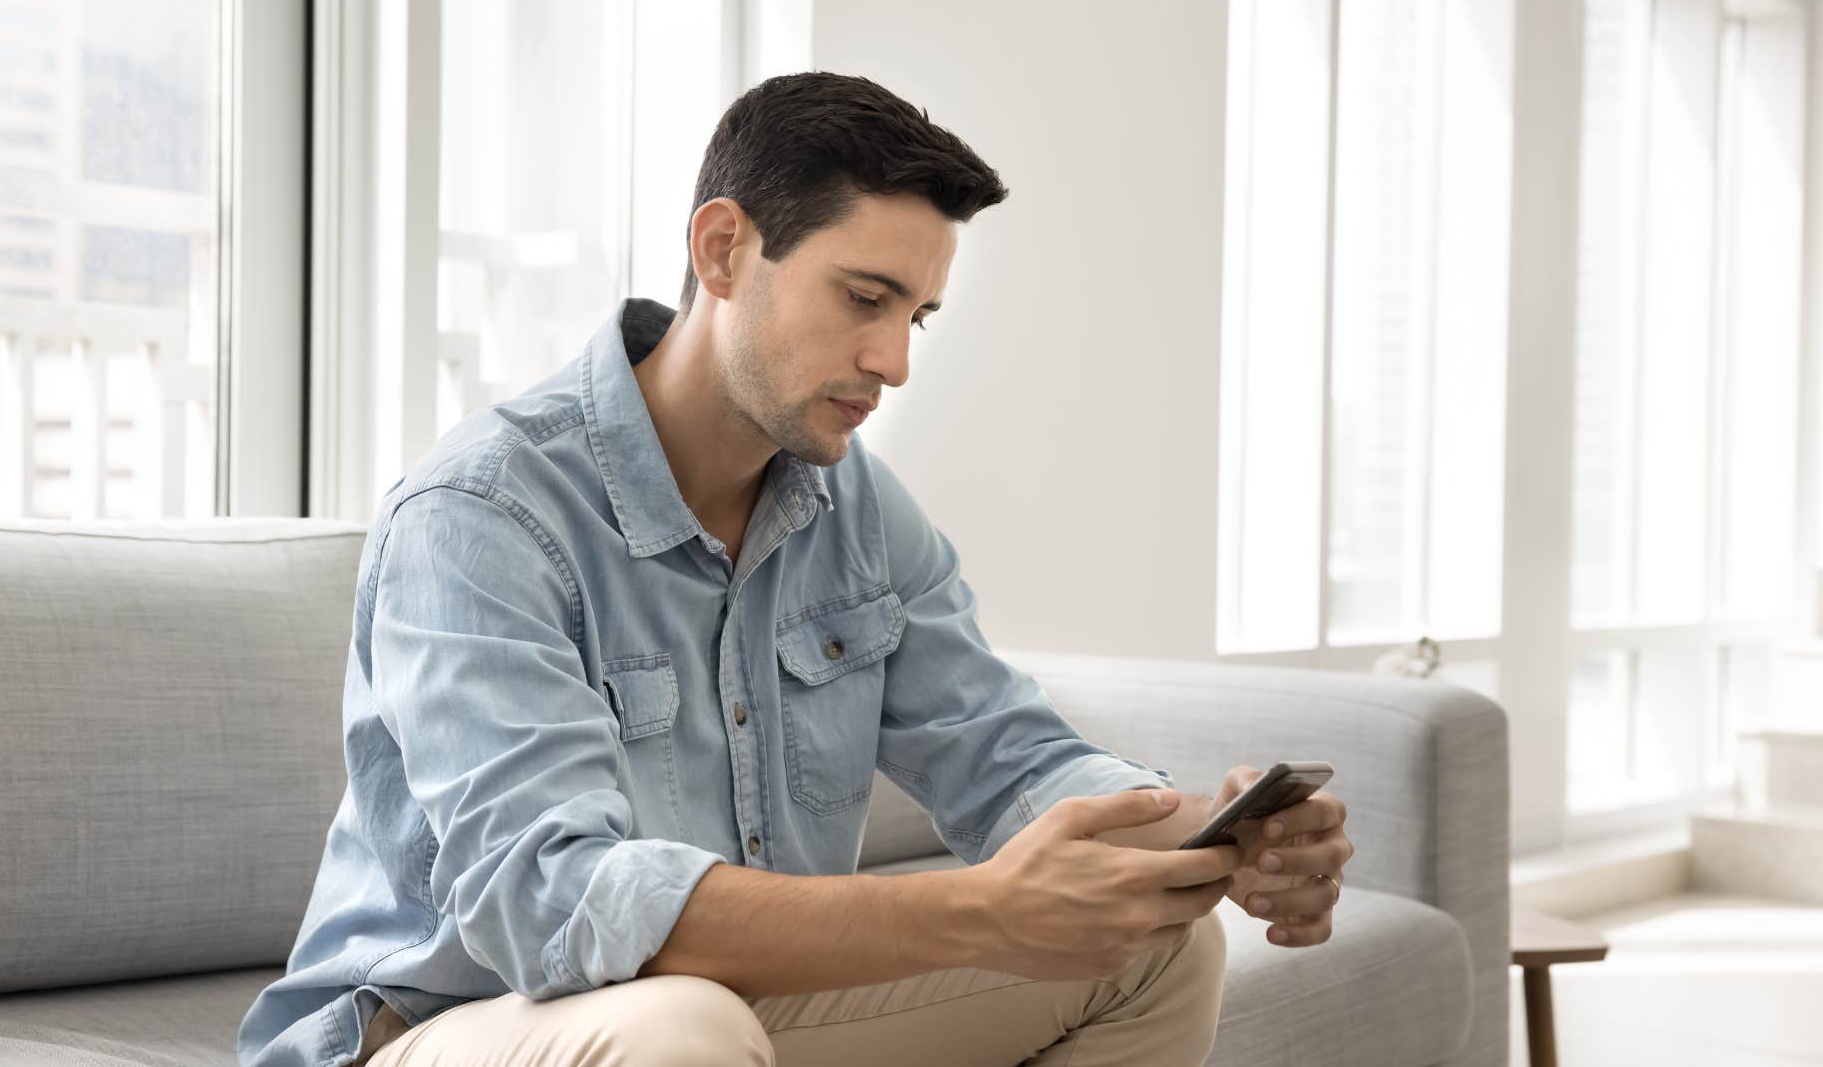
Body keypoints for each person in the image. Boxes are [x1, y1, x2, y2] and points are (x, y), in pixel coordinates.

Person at [237, 69, 1353, 1067]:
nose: (896, 360)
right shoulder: (482, 516)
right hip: (449, 1026)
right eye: (864, 300)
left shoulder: (851, 506)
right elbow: (552, 904)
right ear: (722, 250)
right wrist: (977, 913)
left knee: (1163, 952)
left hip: (723, 1008)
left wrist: (1208, 837)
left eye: (918, 315)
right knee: (681, 1028)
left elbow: (1009, 760)